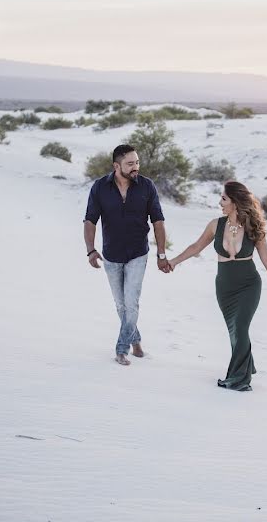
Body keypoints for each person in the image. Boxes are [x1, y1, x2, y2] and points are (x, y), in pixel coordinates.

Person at [169, 181, 267, 391]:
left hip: (249, 284)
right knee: (234, 331)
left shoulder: (252, 226)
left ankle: (239, 379)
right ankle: (246, 364)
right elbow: (196, 247)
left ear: (235, 202)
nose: (220, 202)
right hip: (225, 287)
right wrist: (175, 261)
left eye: (224, 198)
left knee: (240, 327)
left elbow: (266, 257)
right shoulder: (216, 225)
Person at [84, 144, 172, 366]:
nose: (136, 167)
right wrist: (90, 250)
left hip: (137, 254)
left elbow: (158, 222)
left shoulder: (147, 187)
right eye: (130, 163)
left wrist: (162, 254)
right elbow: (90, 220)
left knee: (131, 303)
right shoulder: (99, 188)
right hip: (111, 255)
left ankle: (121, 349)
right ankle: (136, 341)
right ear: (116, 166)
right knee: (121, 305)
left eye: (137, 162)